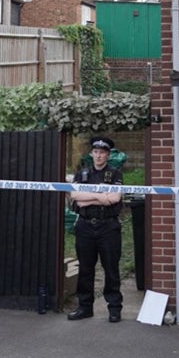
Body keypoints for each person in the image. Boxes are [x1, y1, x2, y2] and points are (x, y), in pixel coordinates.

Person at [67, 135, 124, 323]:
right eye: (96, 152)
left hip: (108, 226)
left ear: (108, 155)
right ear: (92, 154)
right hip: (85, 226)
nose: (99, 156)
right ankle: (85, 307)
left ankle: (114, 308)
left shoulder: (115, 174)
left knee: (111, 268)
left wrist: (88, 197)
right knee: (85, 268)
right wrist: (101, 196)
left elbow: (114, 199)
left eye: (102, 152)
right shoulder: (81, 174)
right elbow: (75, 196)